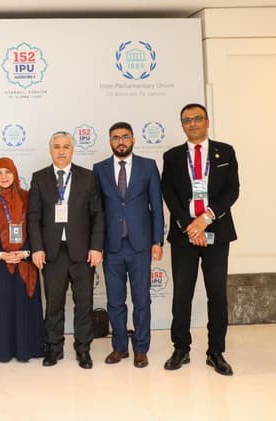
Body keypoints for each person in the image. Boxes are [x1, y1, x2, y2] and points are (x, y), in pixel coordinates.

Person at [161, 103, 240, 376]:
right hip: (184, 236)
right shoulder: (172, 156)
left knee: (217, 295)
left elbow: (232, 191)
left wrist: (205, 219)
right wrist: (190, 226)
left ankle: (215, 352)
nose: (192, 123)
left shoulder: (225, 152)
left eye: (197, 119)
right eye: (187, 120)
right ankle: (181, 348)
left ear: (207, 122)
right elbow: (169, 194)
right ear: (182, 125)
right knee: (182, 295)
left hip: (217, 232)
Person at [28, 131, 104, 369]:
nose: (61, 151)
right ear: (50, 150)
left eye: (66, 147)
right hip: (52, 252)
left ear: (72, 149)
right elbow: (33, 217)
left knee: (84, 304)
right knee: (53, 303)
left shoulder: (87, 177)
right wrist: (37, 248)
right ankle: (53, 348)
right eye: (57, 147)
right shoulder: (39, 178)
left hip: (82, 252)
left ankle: (83, 349)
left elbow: (97, 215)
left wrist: (96, 246)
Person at [93, 122, 164, 368]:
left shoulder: (148, 166)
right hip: (111, 246)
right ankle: (120, 347)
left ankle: (141, 348)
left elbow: (156, 206)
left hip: (140, 245)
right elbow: (97, 211)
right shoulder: (100, 169)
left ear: (133, 139)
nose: (120, 141)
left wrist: (157, 241)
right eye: (116, 137)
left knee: (142, 300)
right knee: (115, 301)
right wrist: (97, 244)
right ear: (110, 141)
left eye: (125, 137)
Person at [0, 157, 44, 362]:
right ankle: (2, 349)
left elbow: (35, 226)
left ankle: (26, 348)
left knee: (23, 307)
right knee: (3, 305)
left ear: (14, 174)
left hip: (24, 262)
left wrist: (26, 252)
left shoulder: (27, 197)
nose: (4, 177)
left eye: (8, 172)